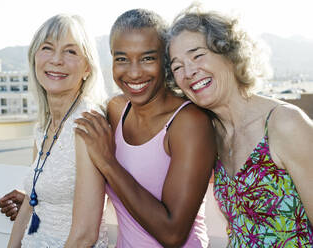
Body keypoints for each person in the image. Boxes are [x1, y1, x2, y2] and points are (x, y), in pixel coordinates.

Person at [167, 4, 313, 247]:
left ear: (229, 53)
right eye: (177, 67)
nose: (189, 71)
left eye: (197, 55)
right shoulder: (211, 135)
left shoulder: (285, 124)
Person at [75, 9, 216, 248]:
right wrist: (32, 196)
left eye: (147, 58)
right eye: (122, 59)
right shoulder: (116, 109)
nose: (134, 72)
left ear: (166, 60)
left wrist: (109, 163)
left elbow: (173, 234)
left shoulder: (189, 122)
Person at [6, 14, 108, 248]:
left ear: (87, 68)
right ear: (34, 58)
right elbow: (30, 205)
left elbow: (85, 235)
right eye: (47, 48)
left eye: (70, 52)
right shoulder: (42, 126)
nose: (56, 60)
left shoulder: (87, 124)